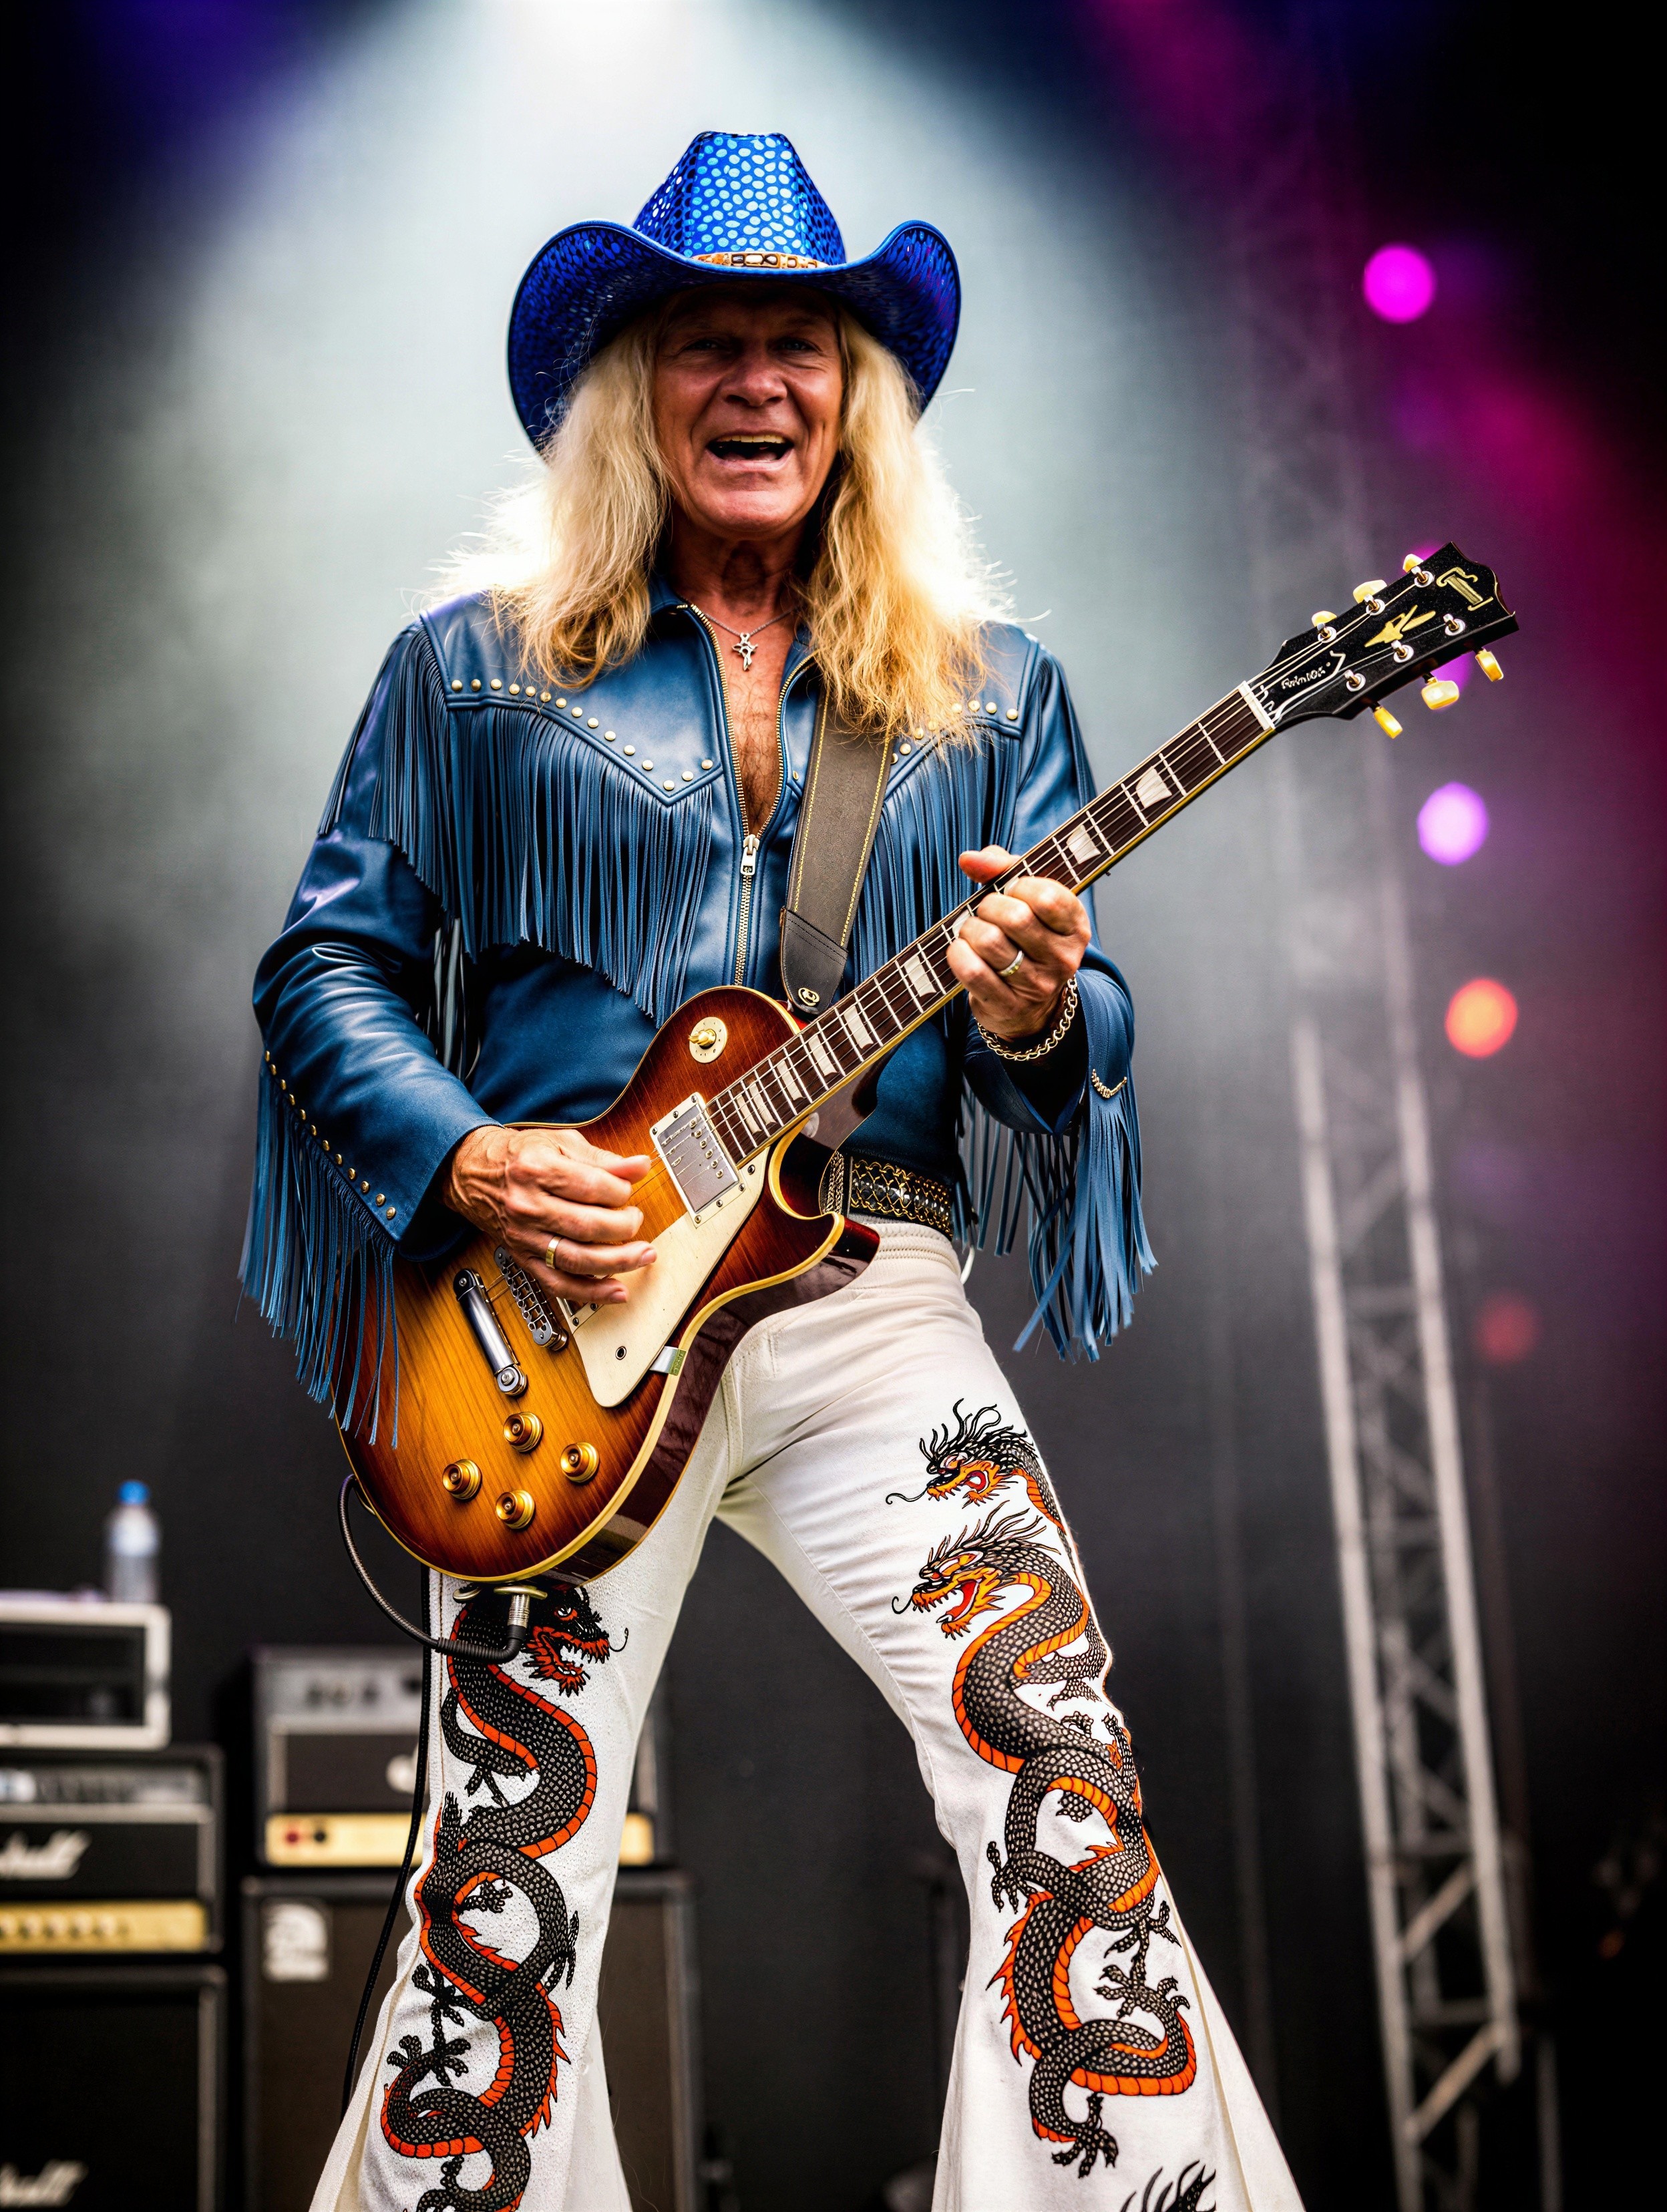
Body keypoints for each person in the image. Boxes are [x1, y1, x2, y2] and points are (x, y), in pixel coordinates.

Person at [245, 131, 1300, 2212]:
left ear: (857, 394)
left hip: (865, 1305)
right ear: (636, 391)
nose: (758, 382)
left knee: (1063, 1785)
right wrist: (468, 1162)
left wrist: (1028, 1014)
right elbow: (326, 965)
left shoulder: (996, 698)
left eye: (798, 346)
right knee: (502, 1872)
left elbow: (1073, 1056)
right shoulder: (473, 668)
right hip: (547, 1328)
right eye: (708, 341)